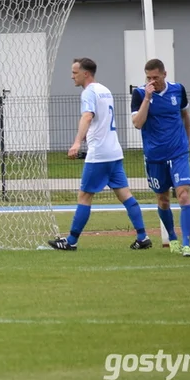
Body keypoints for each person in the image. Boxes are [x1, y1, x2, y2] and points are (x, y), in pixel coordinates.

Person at [48, 58, 150, 251]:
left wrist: (77, 142)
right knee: (125, 194)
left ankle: (71, 241)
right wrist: (89, 134)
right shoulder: (105, 90)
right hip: (114, 151)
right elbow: (102, 119)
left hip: (100, 154)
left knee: (84, 195)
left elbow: (88, 116)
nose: (72, 76)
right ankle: (142, 236)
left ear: (86, 73)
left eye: (75, 72)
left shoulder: (88, 92)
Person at [132, 58, 190, 258]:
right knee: (163, 199)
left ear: (164, 74)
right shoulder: (140, 93)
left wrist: (187, 139)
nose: (152, 81)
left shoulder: (178, 90)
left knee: (183, 194)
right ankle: (173, 238)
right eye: (148, 77)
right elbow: (137, 123)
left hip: (178, 152)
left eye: (156, 77)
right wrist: (147, 99)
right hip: (155, 156)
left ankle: (187, 245)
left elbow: (184, 114)